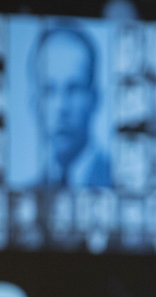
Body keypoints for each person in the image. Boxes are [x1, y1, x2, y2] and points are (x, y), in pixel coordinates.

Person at [25, 24, 112, 188]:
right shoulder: (28, 192)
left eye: (74, 89)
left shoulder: (121, 181)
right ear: (34, 102)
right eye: (49, 90)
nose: (61, 107)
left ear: (95, 99)